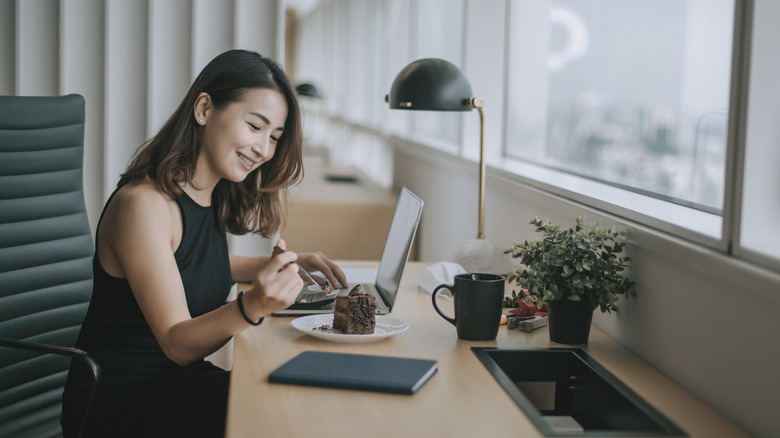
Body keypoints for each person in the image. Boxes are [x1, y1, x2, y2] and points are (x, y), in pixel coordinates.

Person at [61, 49, 347, 438]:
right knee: (280, 414)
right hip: (118, 404)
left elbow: (191, 265)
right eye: (255, 126)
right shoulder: (144, 205)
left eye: (274, 137)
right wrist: (254, 305)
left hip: (174, 384)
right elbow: (177, 343)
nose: (264, 148)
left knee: (289, 394)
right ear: (204, 109)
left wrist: (276, 268)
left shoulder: (207, 192)